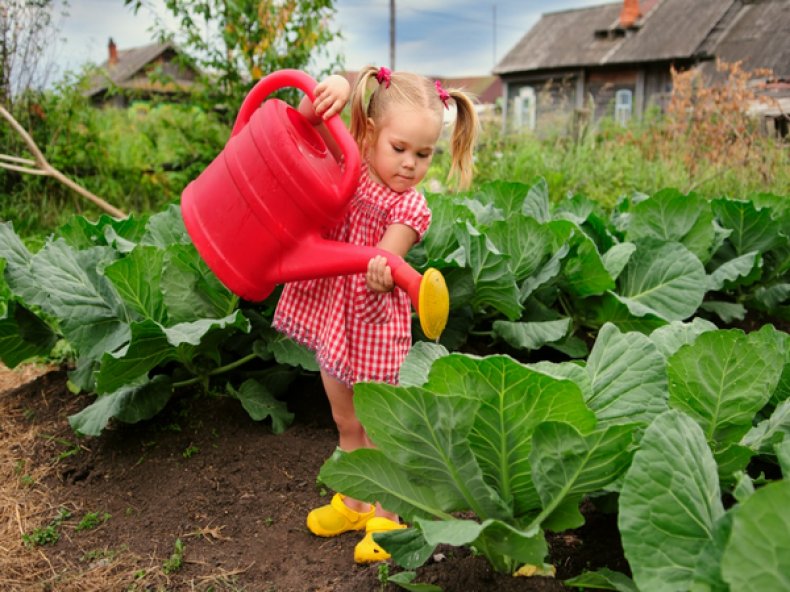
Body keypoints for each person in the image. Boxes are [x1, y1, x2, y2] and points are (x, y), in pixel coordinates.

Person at [272, 65, 479, 563]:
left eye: (423, 154)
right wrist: (337, 91)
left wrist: (384, 266)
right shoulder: (352, 162)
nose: (410, 164)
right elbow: (306, 123)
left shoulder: (412, 208)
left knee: (378, 423)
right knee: (346, 421)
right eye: (399, 148)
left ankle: (389, 513)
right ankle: (357, 500)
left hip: (371, 323)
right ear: (369, 133)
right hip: (332, 314)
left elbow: (385, 256)